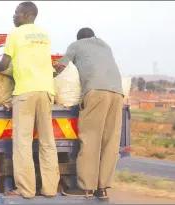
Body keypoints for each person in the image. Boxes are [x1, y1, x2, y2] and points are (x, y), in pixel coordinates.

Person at [0, 1, 60, 199]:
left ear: (25, 15)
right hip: (47, 91)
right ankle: (50, 189)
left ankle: (26, 190)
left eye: (16, 13)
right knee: (47, 142)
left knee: (23, 143)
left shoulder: (15, 34)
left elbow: (3, 64)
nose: (13, 16)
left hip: (25, 91)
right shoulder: (45, 34)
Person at [55, 28, 124, 199]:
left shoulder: (76, 45)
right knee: (110, 141)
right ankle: (102, 188)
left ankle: (85, 187)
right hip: (117, 93)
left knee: (91, 139)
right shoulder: (105, 46)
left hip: (96, 92)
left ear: (79, 38)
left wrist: (49, 78)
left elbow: (61, 67)